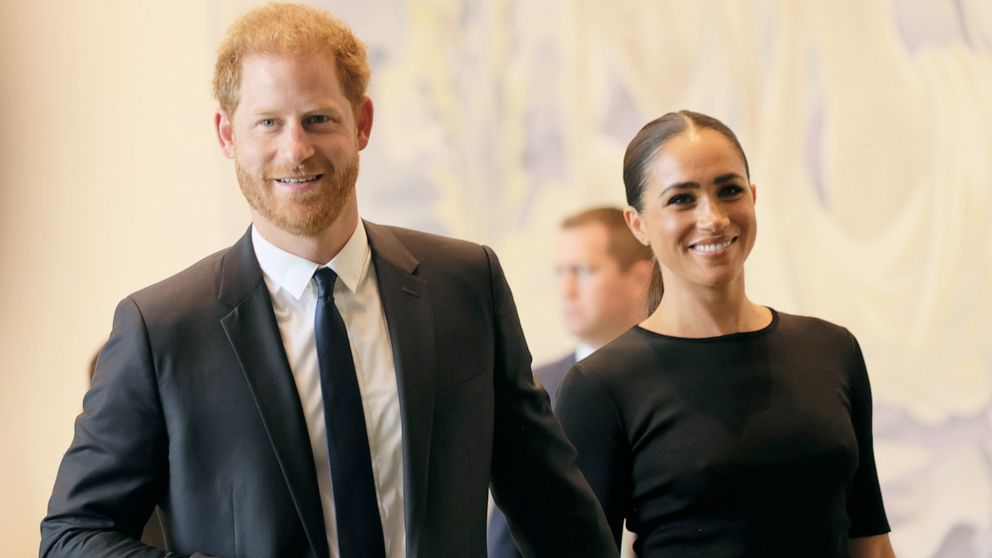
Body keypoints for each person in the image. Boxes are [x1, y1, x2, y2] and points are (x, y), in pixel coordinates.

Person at [39, 4, 615, 558]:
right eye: (268, 122)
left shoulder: (466, 285)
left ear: (361, 123)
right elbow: (72, 535)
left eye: (318, 118)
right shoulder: (160, 328)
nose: (296, 148)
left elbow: (553, 510)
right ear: (226, 135)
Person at [555, 110, 896, 557]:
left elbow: (868, 539)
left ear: (752, 197)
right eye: (681, 199)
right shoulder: (601, 385)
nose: (713, 217)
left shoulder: (832, 350)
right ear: (638, 224)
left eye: (729, 191)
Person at [488, 207, 652, 558]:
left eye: (583, 271)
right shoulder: (531, 388)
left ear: (641, 277)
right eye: (560, 273)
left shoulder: (676, 381)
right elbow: (508, 536)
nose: (566, 290)